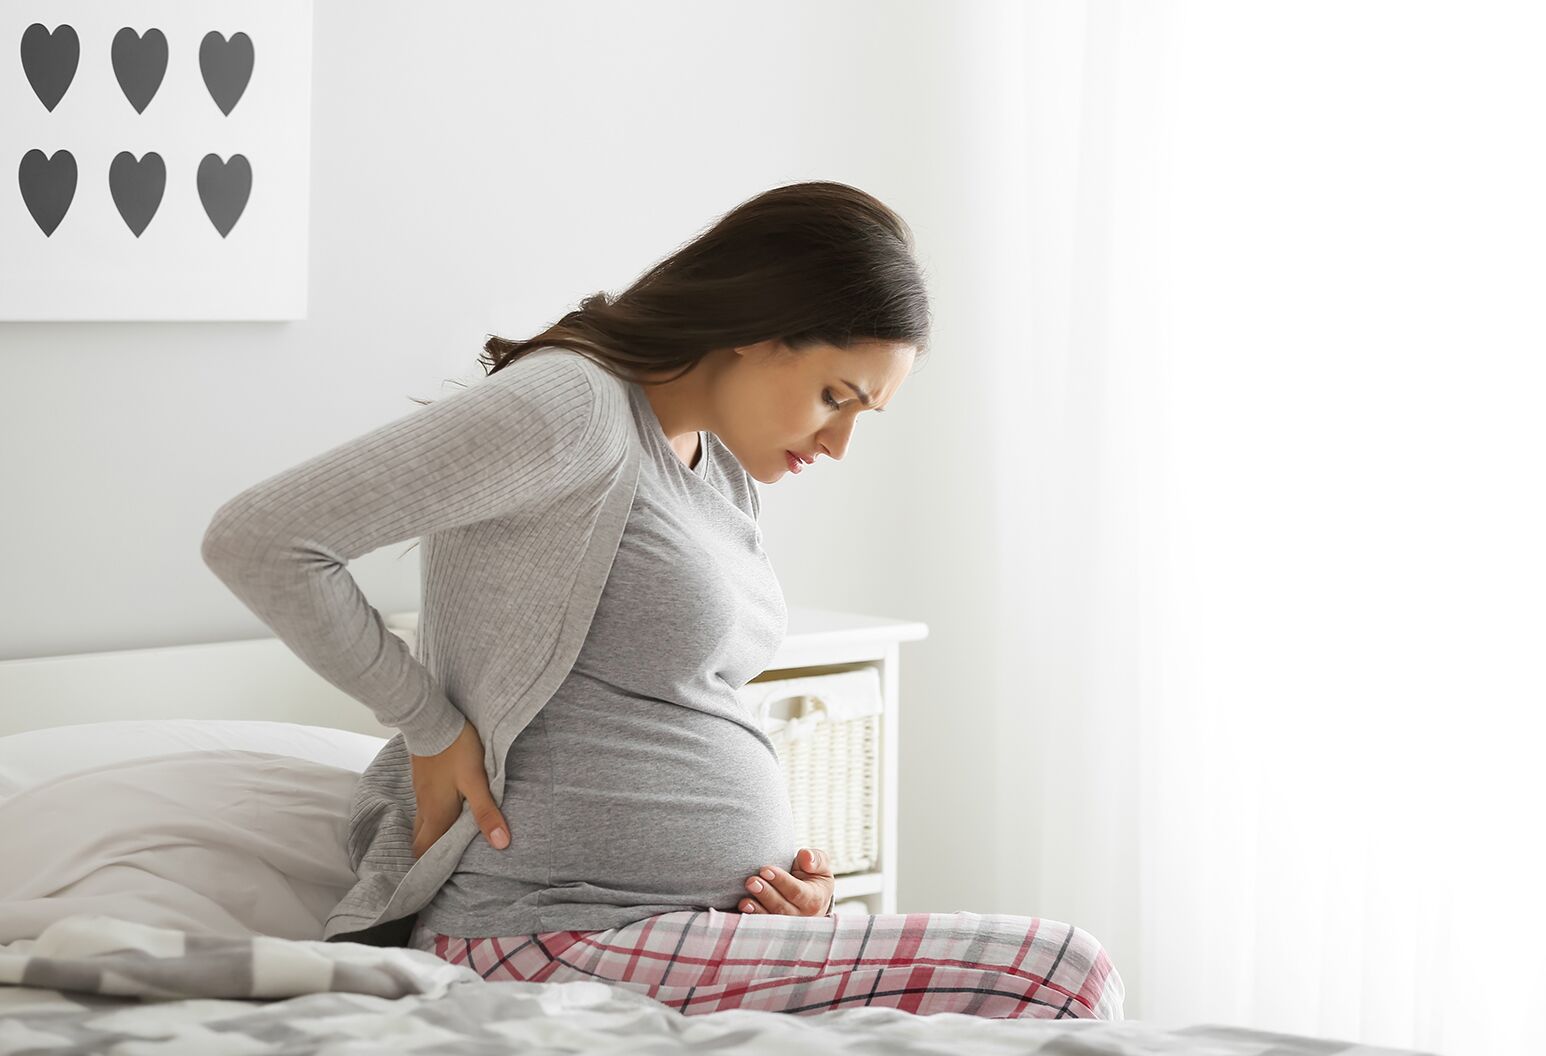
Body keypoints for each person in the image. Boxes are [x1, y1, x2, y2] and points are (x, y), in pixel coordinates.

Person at [202, 180, 1124, 1020]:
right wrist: (428, 726)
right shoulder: (572, 406)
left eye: (861, 414)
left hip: (680, 927)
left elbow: (681, 696)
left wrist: (795, 903)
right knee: (1061, 975)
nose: (839, 444)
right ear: (758, 329)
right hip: (545, 932)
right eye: (833, 397)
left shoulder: (717, 467)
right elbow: (263, 538)